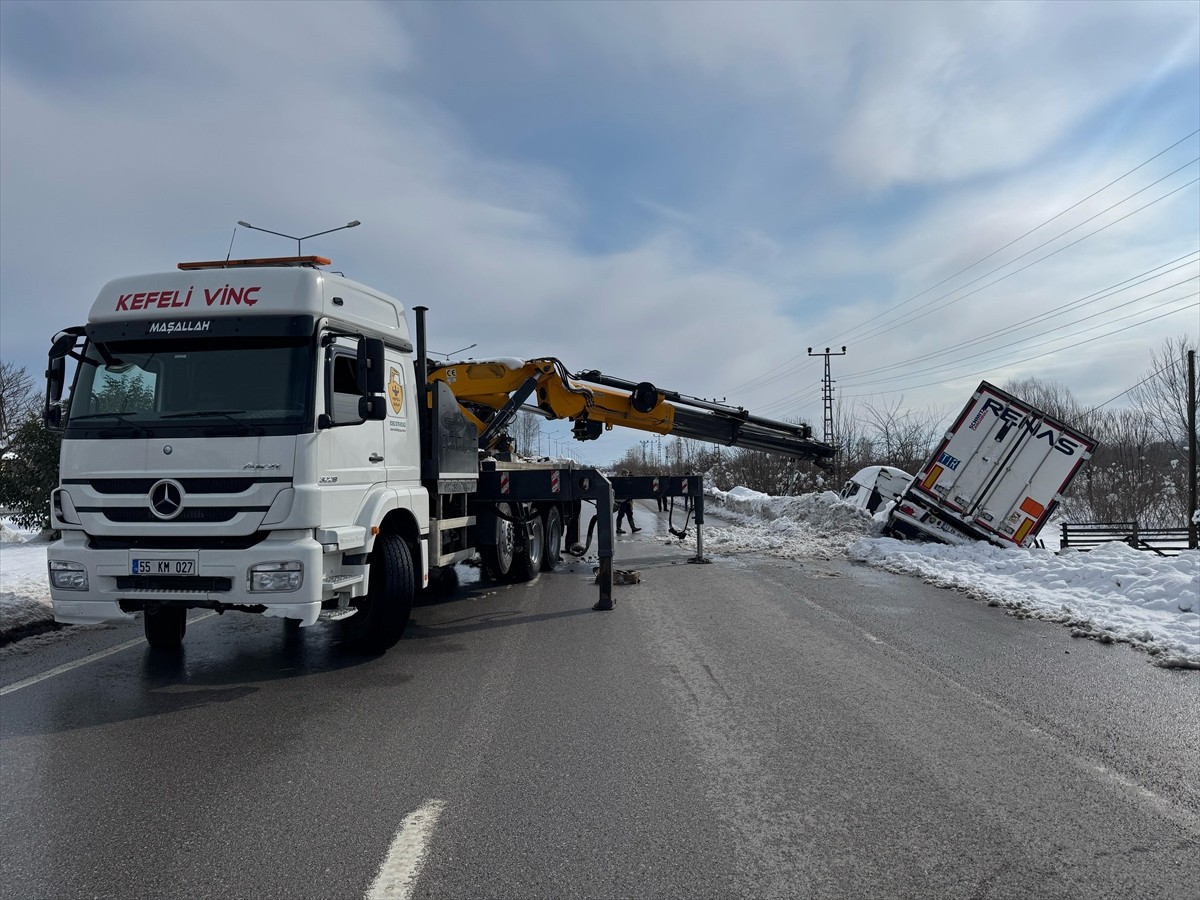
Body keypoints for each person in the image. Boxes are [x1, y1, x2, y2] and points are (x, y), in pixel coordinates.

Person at [616, 469, 640, 534]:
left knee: (629, 514)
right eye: (626, 474)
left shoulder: (626, 481)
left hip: (627, 501)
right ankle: (618, 529)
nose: (627, 475)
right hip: (622, 501)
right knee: (621, 514)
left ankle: (633, 528)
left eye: (627, 474)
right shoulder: (620, 481)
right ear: (623, 474)